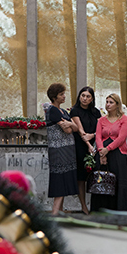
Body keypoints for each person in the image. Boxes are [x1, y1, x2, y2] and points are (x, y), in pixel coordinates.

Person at [44, 83, 79, 215]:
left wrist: (70, 124)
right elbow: (69, 130)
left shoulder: (63, 111)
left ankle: (60, 210)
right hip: (58, 150)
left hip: (67, 150)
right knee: (59, 179)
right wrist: (71, 125)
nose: (64, 96)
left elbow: (73, 128)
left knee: (65, 178)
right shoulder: (52, 110)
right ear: (54, 96)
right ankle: (54, 212)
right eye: (61, 94)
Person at [93, 93, 127, 211]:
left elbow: (121, 138)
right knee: (101, 181)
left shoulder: (124, 119)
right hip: (102, 153)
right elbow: (98, 137)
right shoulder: (101, 120)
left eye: (111, 102)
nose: (108, 105)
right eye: (107, 102)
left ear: (117, 105)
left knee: (119, 182)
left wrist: (107, 149)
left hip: (118, 153)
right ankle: (101, 210)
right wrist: (101, 152)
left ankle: (120, 210)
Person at [70, 86, 101, 215]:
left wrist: (93, 136)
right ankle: (84, 206)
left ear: (92, 99)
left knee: (96, 176)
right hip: (81, 147)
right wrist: (89, 145)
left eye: (88, 96)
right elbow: (81, 130)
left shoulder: (96, 112)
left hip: (96, 145)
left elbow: (100, 130)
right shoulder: (74, 110)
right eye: (83, 95)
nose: (85, 98)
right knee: (81, 178)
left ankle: (96, 205)